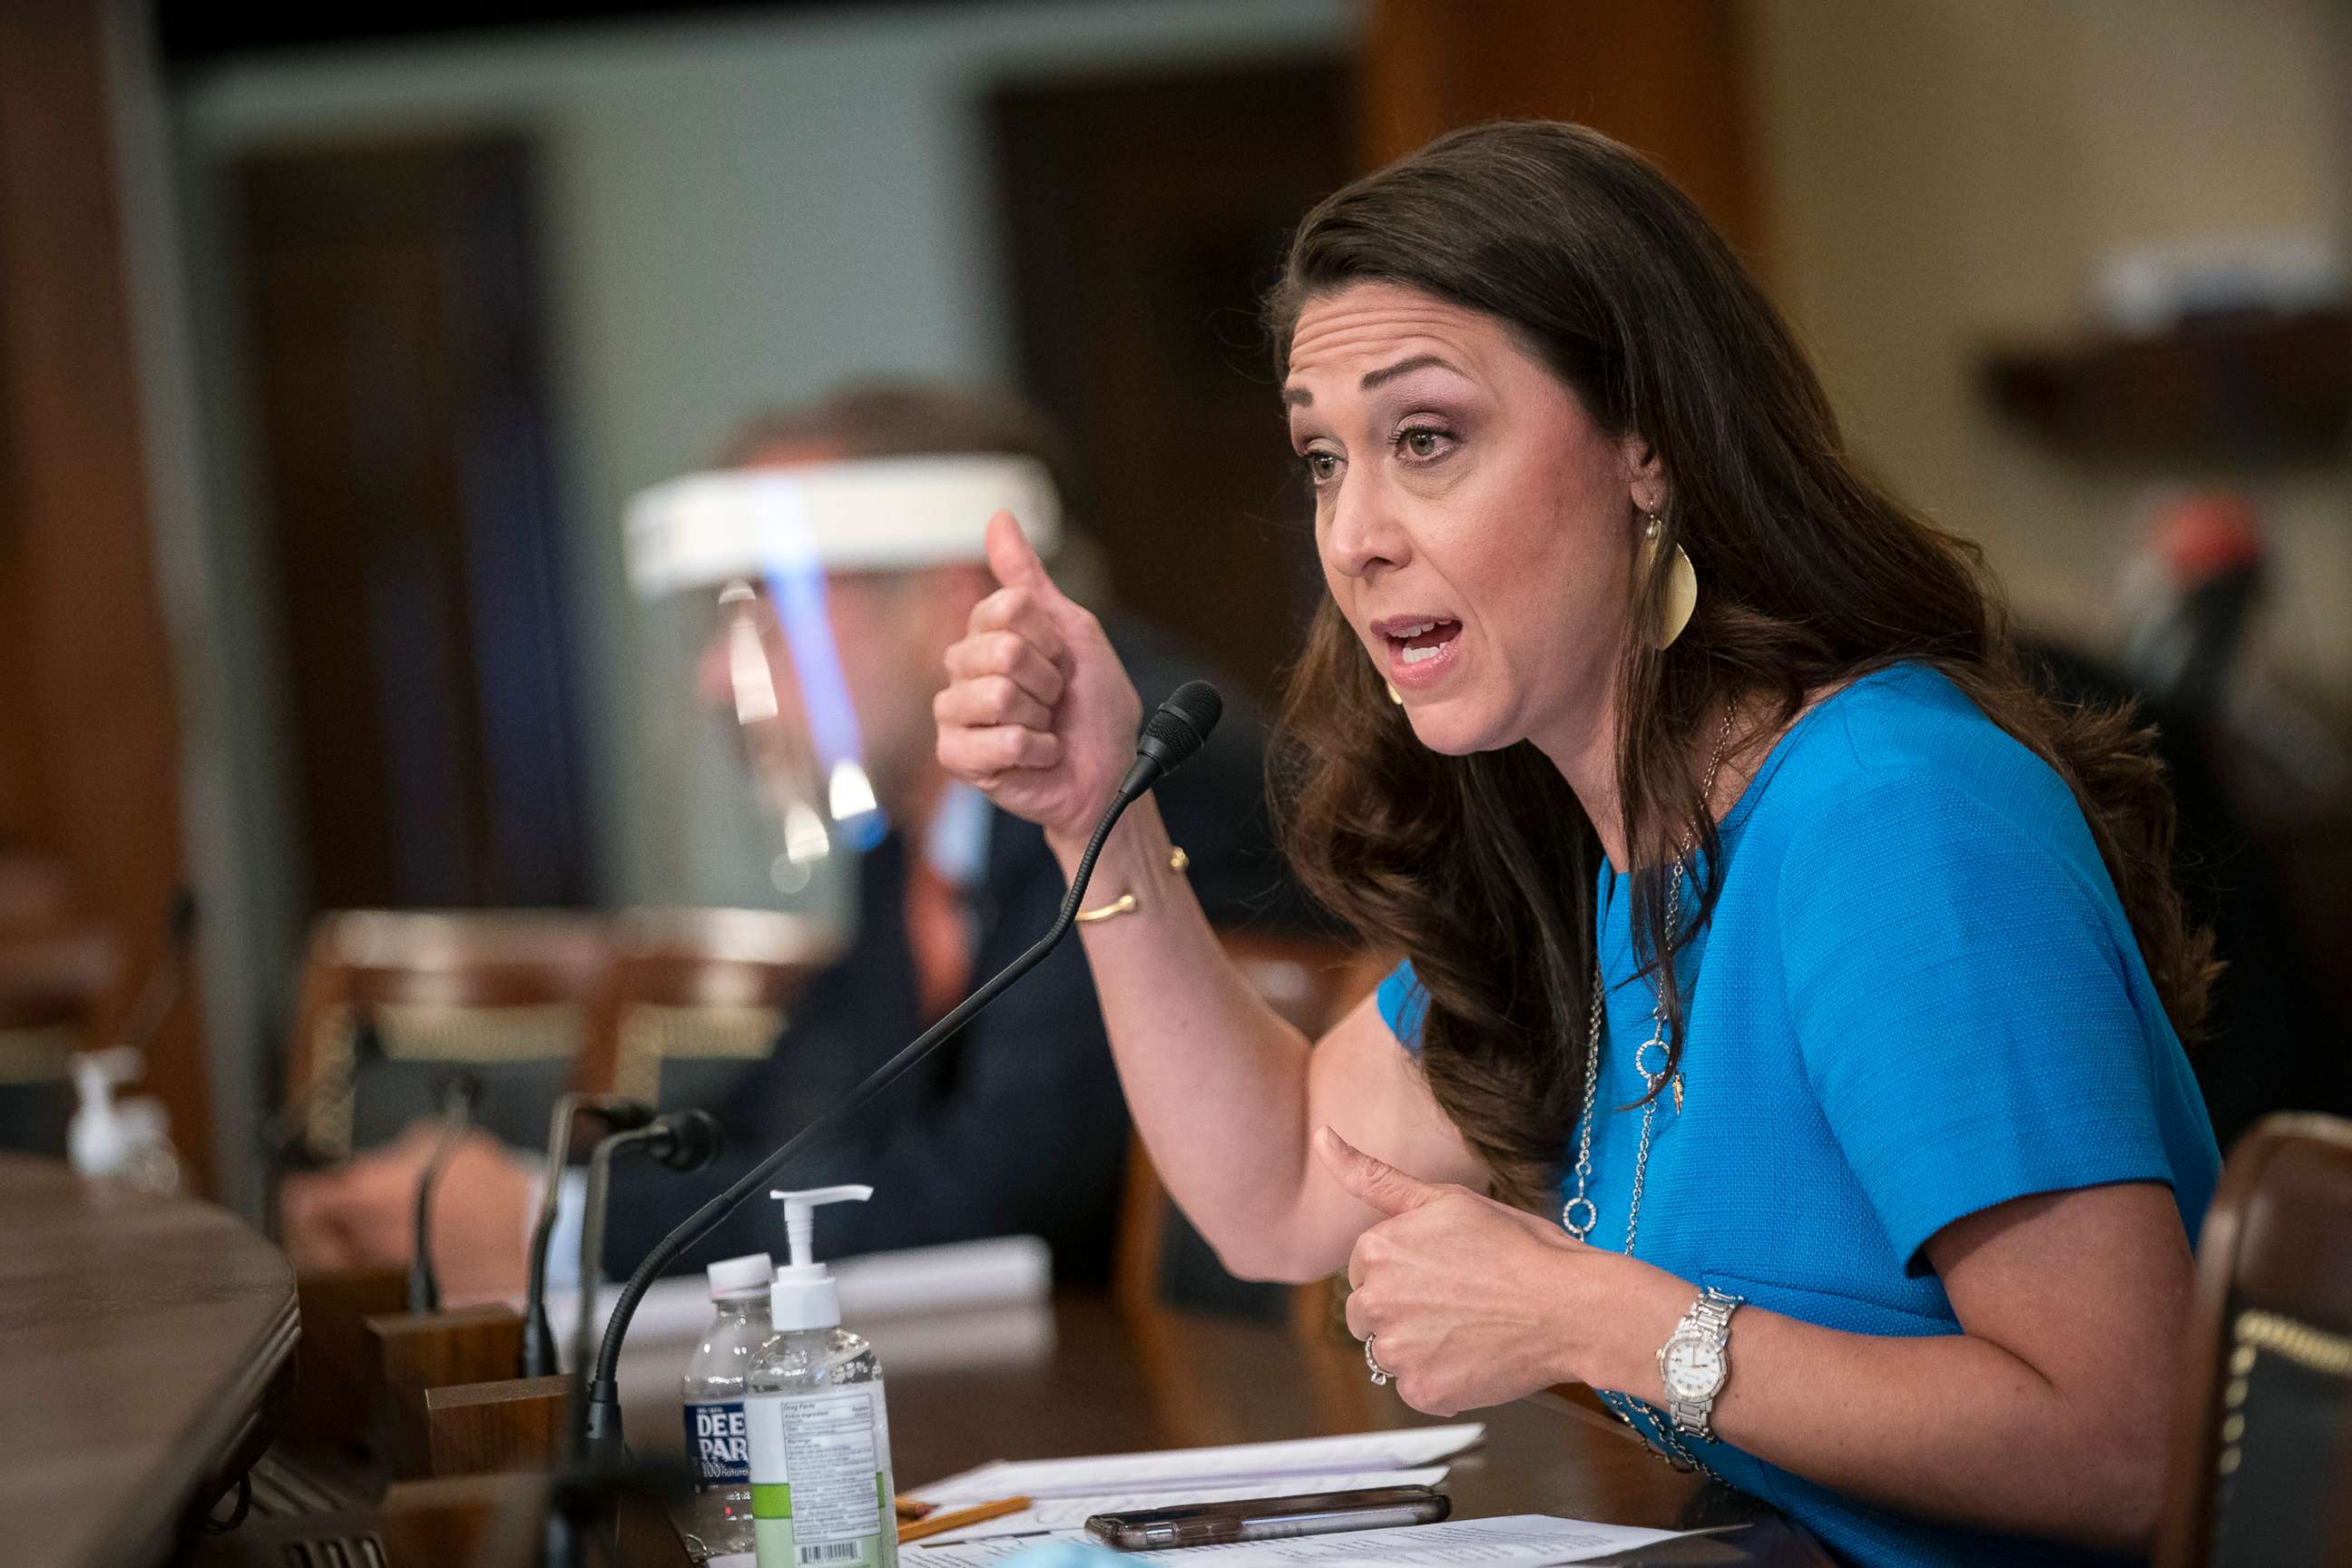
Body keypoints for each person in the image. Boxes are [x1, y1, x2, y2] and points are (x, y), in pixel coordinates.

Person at [934, 123, 2220, 1567]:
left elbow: (2123, 1441)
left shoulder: (1891, 817)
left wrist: (1590, 1314)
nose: (1352, 533)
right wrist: (1095, 815)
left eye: (1425, 439)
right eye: (1320, 459)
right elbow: (1286, 1185)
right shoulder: (1599, 843)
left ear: (1646, 451)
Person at [280, 383, 1310, 1300]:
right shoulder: (910, 819)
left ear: (955, 596)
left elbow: (1008, 1187)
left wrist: (553, 1227)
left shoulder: (1136, 758)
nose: (718, 680)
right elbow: (811, 1110)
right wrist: (528, 1183)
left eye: (767, 612)